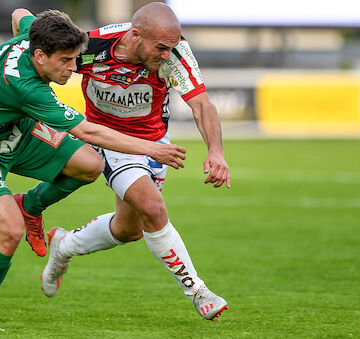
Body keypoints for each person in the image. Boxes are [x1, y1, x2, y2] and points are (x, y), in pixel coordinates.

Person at [0, 9, 186, 331]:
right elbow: (90, 132)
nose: (74, 68)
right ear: (39, 56)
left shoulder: (33, 34)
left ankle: (29, 206)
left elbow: (20, 14)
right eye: (67, 60)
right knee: (10, 232)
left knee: (89, 164)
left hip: (16, 124)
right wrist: (152, 148)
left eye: (75, 58)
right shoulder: (29, 88)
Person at [24, 2, 231, 321]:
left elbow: (201, 104)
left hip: (153, 142)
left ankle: (64, 245)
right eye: (160, 47)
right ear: (135, 35)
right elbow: (37, 49)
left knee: (129, 229)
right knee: (152, 208)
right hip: (106, 139)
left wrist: (215, 152)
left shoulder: (174, 53)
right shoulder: (90, 47)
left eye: (171, 48)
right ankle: (198, 291)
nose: (166, 55)